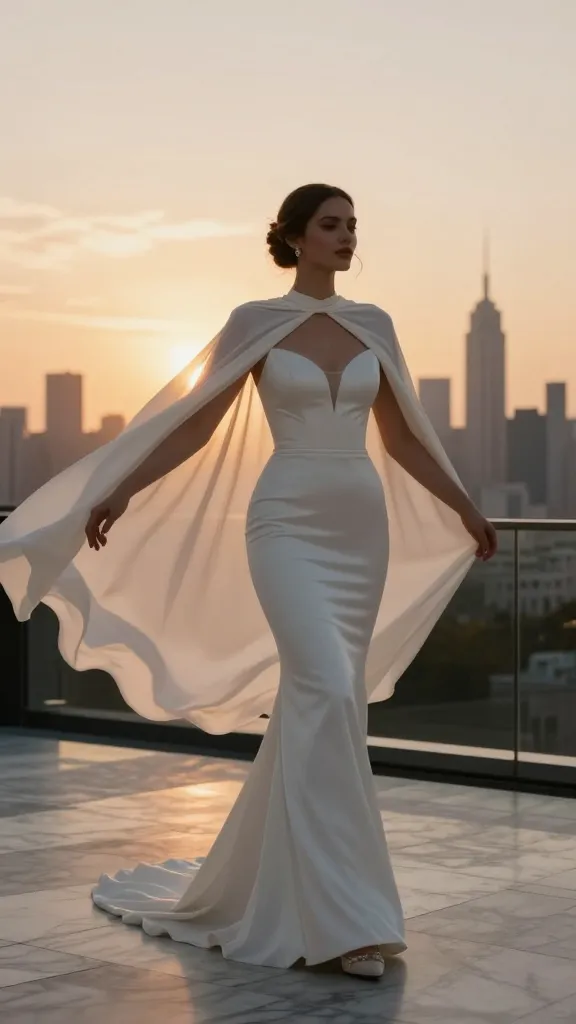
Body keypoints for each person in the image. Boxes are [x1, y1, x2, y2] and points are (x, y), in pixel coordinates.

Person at [0, 183, 496, 979]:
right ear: (295, 238)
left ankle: (312, 899)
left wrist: (466, 507)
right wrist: (122, 485)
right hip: (285, 524)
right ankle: (349, 922)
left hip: (358, 526)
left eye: (352, 226)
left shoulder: (376, 326)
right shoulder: (256, 323)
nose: (346, 236)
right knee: (329, 687)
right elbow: (196, 419)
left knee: (323, 701)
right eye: (331, 225)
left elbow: (401, 435)